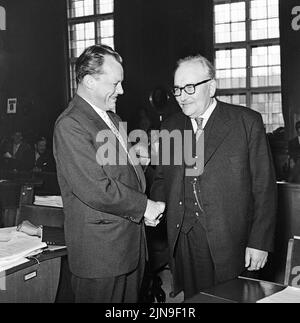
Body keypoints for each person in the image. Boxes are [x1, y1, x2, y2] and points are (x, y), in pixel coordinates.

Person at [150, 54, 277, 300]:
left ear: (211, 86)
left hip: (233, 242)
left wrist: (260, 242)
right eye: (177, 89)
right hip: (185, 241)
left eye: (189, 88)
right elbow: (162, 180)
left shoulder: (246, 122)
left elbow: (264, 189)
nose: (182, 96)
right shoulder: (171, 127)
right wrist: (156, 206)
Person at [53, 44, 165, 303]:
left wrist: (139, 160)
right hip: (101, 256)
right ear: (90, 81)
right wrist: (145, 207)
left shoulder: (111, 119)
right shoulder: (70, 124)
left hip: (129, 246)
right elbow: (95, 187)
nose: (122, 91)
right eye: (115, 84)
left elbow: (117, 174)